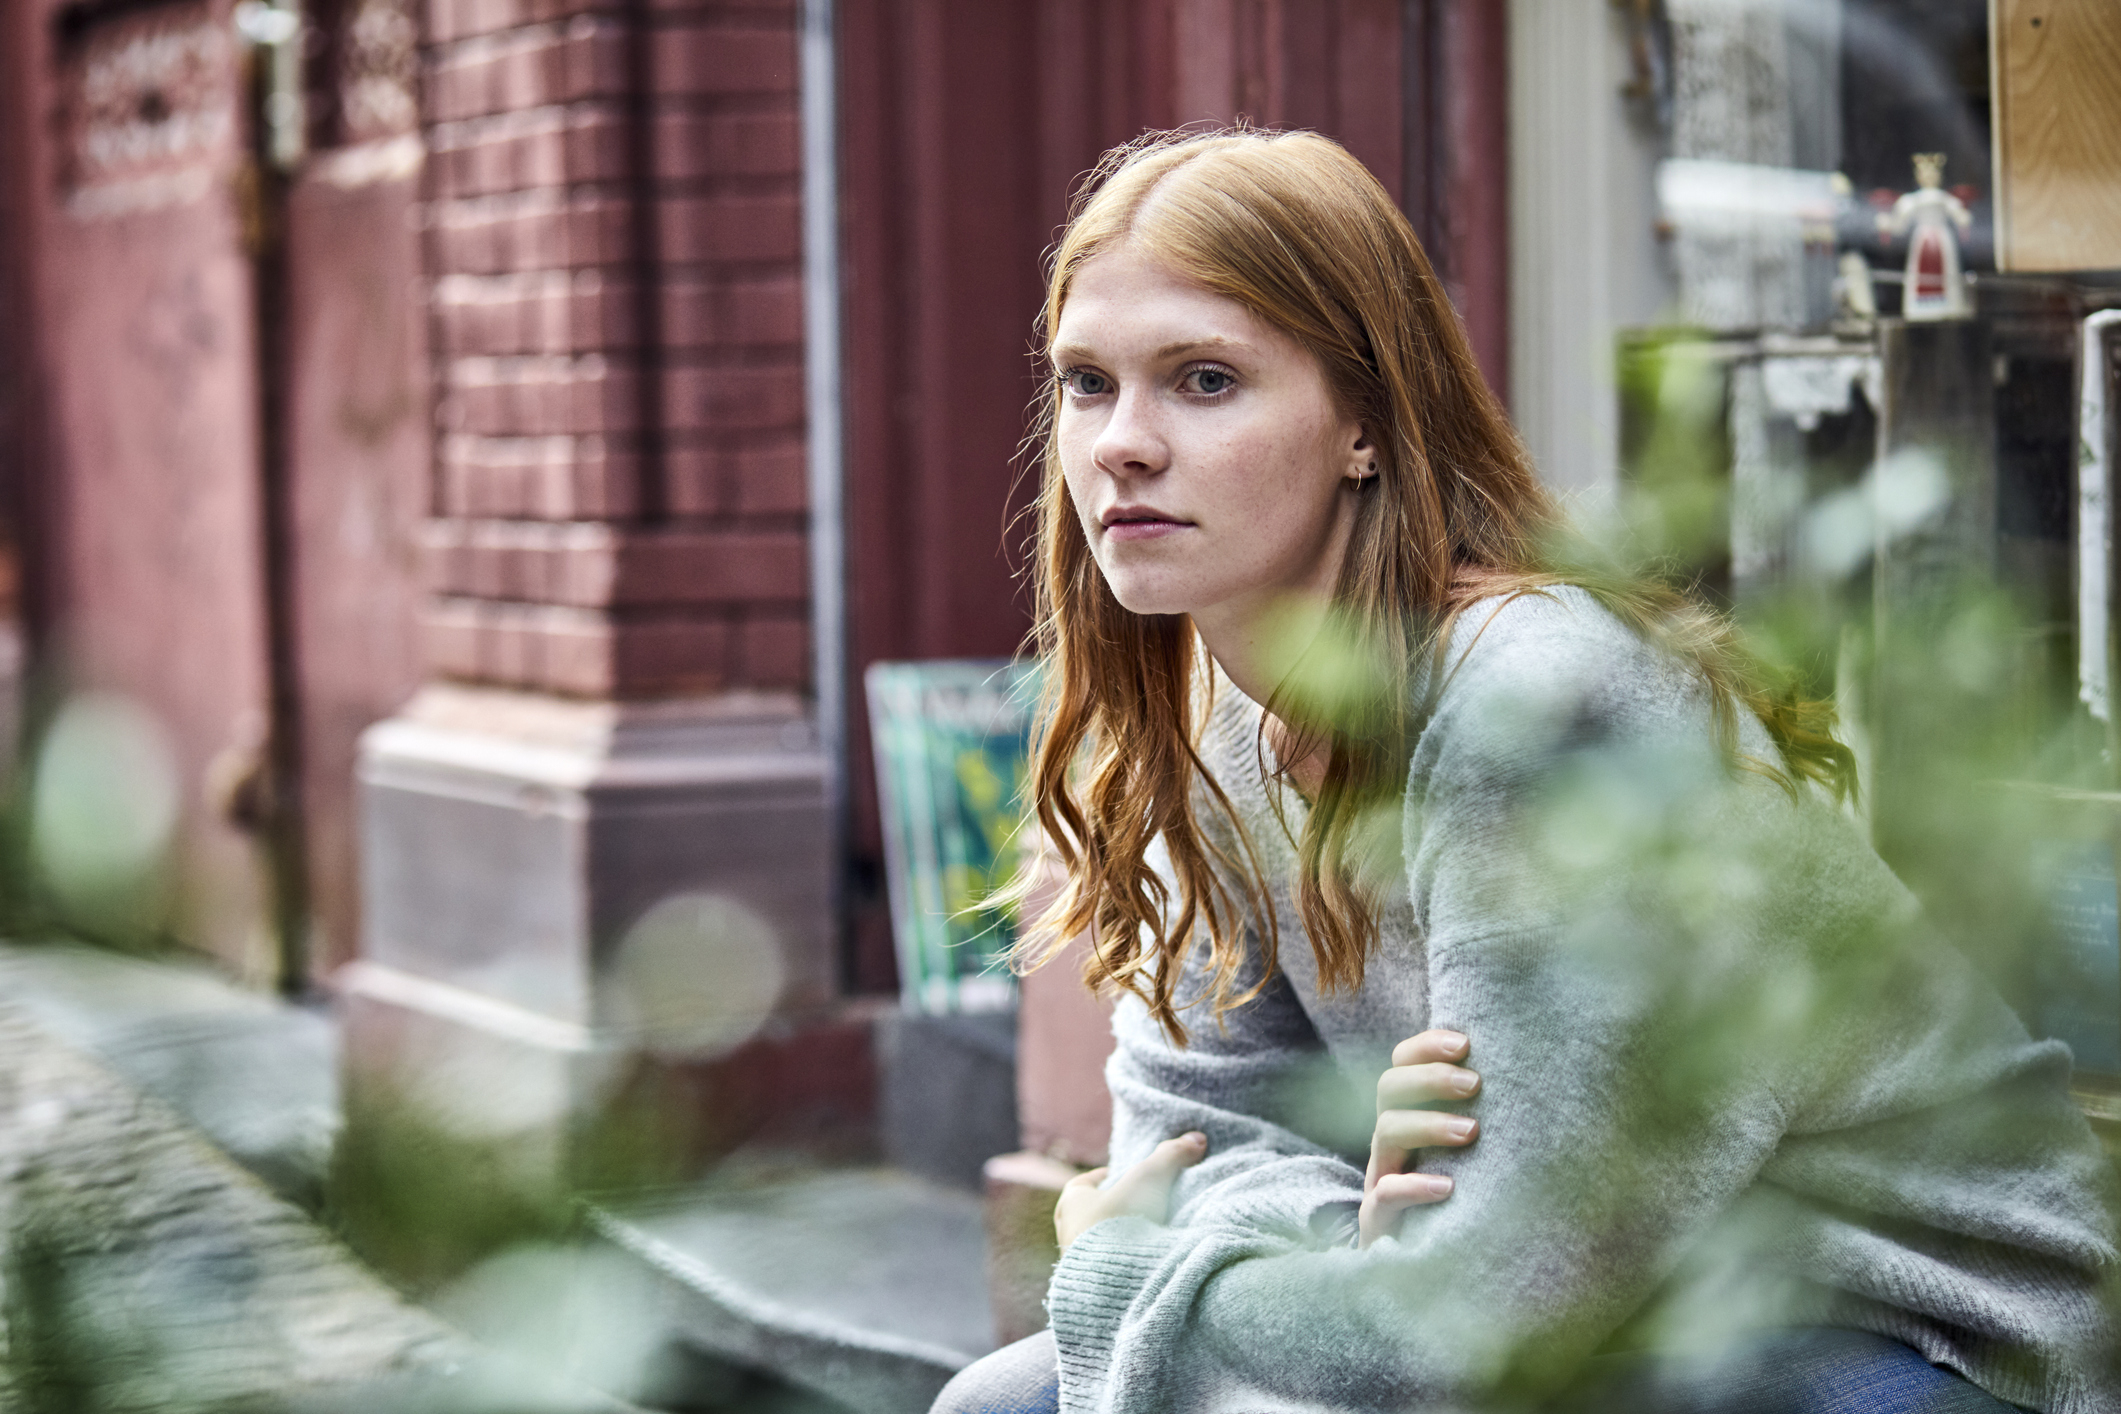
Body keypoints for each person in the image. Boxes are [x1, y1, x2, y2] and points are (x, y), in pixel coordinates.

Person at [932, 127, 2119, 1414]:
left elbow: (1483, 1318)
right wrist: (1349, 1226)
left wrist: (1121, 1267)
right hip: (1608, 1307)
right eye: (1087, 383)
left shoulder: (1542, 703)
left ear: (1365, 425)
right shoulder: (1209, 724)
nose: (1122, 442)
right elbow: (1189, 1140)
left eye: (1205, 380)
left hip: (1907, 1326)